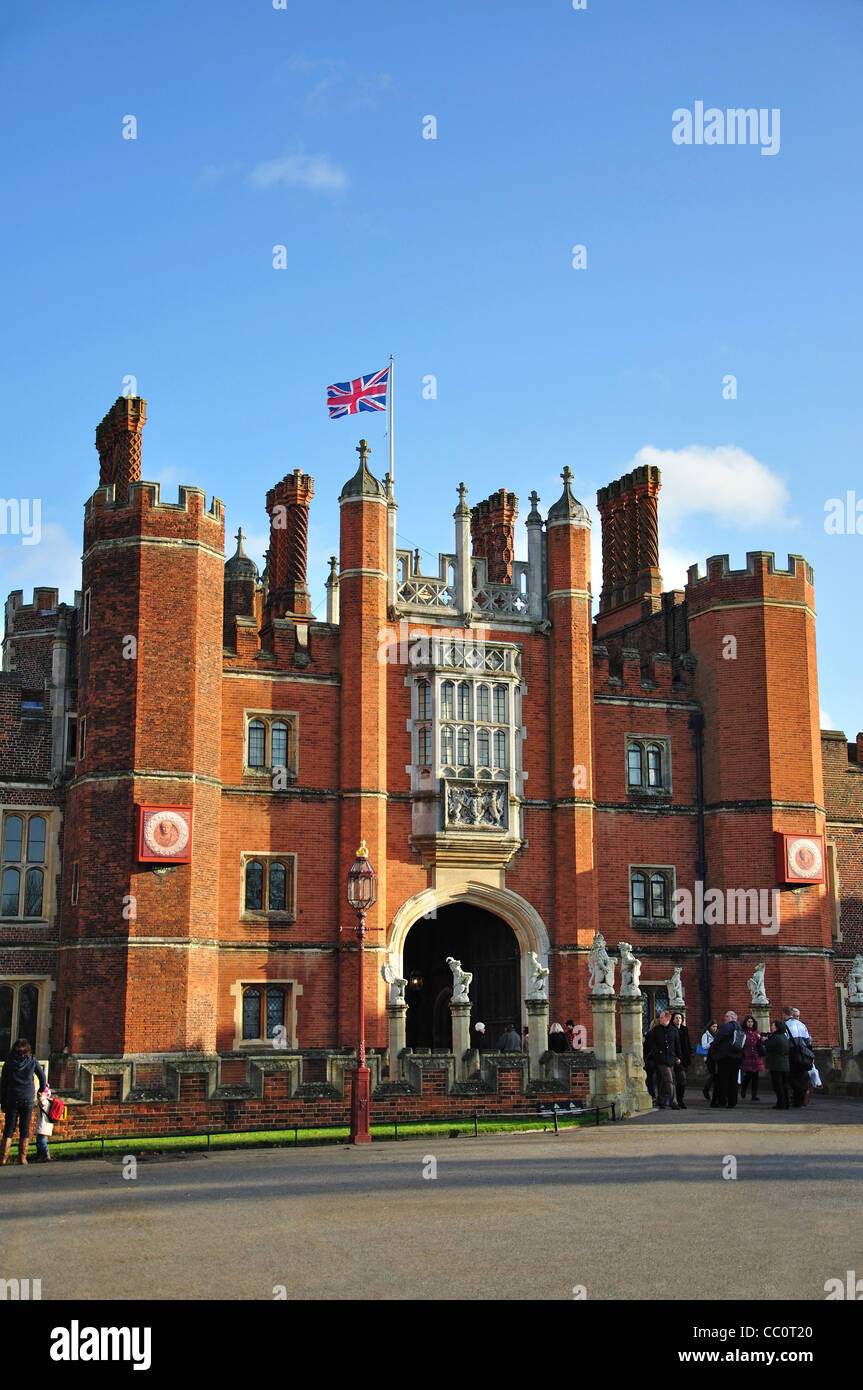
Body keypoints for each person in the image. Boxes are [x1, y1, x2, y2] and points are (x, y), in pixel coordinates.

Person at [0, 1038, 47, 1166]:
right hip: (27, 1098)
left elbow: (3, 1085)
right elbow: (42, 1078)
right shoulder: (32, 1061)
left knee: (9, 1128)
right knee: (24, 1128)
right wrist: (41, 1091)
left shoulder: (9, 1064)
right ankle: (22, 1158)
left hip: (12, 1098)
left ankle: (3, 1158)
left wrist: (2, 1103)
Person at [645, 1010, 681, 1110]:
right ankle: (674, 1102)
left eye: (662, 1017)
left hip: (671, 1058)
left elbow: (677, 1045)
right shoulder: (656, 1031)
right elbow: (650, 1044)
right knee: (669, 1080)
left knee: (665, 1081)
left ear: (667, 1019)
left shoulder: (673, 1031)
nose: (660, 1019)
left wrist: (678, 1057)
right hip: (660, 1059)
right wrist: (657, 1052)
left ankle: (660, 1100)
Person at [711, 1011, 745, 1109]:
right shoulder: (739, 1027)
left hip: (725, 1057)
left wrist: (714, 1053)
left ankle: (722, 1101)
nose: (724, 1018)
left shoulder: (727, 1027)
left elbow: (717, 1039)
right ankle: (732, 1102)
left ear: (731, 1018)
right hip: (737, 1057)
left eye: (726, 1016)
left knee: (723, 1080)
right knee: (734, 1080)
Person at [783, 1006, 813, 1108]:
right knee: (801, 1076)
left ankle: (799, 1094)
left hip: (792, 1053)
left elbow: (785, 1041)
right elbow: (808, 1040)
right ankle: (799, 1099)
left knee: (791, 1077)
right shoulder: (802, 1025)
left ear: (784, 1014)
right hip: (804, 1052)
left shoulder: (786, 1025)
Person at [739, 1015, 766, 1101]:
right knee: (748, 1075)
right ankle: (743, 1089)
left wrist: (760, 1038)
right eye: (749, 1022)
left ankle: (754, 1095)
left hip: (756, 1057)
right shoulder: (743, 1032)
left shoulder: (757, 1032)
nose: (750, 1023)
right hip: (747, 1056)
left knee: (755, 1077)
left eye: (751, 1022)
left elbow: (762, 1042)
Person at [765, 1019, 791, 1109]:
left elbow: (768, 1047)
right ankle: (786, 1102)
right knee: (784, 1085)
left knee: (778, 1085)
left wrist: (765, 1040)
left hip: (777, 1064)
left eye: (772, 1025)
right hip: (785, 1064)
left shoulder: (775, 1037)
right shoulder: (784, 1036)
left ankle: (781, 1103)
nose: (771, 1027)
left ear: (776, 1027)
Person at [670, 1011, 692, 1108]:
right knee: (679, 1079)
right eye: (676, 1018)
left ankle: (679, 1099)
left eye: (680, 1018)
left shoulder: (684, 1029)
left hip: (684, 1059)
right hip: (675, 1059)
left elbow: (687, 1044)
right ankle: (676, 1100)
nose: (678, 1020)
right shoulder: (671, 1030)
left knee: (681, 1081)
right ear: (673, 1019)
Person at [34, 1078, 55, 1161]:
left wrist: (41, 1095)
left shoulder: (45, 1102)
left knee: (41, 1141)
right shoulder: (50, 1102)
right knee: (40, 1140)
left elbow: (42, 1101)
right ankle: (40, 1155)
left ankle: (46, 1154)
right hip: (46, 1125)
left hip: (43, 1125)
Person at [700, 1020, 719, 1101]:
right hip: (710, 1057)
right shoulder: (706, 1035)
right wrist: (712, 1043)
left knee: (715, 1075)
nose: (715, 1028)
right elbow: (704, 1046)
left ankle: (710, 1091)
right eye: (713, 1027)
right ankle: (706, 1090)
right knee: (713, 1074)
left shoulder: (718, 1034)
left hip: (717, 1056)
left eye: (716, 1027)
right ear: (709, 1027)